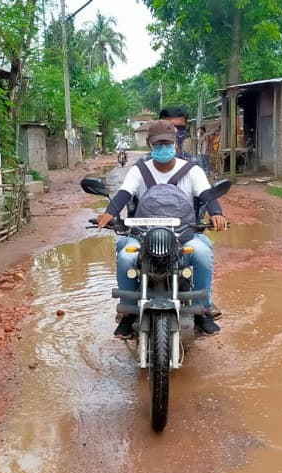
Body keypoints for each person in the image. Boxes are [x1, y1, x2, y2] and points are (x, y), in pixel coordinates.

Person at [97, 120, 227, 339]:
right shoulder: (139, 171)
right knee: (126, 257)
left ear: (176, 144)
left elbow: (207, 195)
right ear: (150, 145)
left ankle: (203, 309)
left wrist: (217, 213)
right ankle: (128, 312)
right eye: (158, 144)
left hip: (183, 235)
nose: (163, 148)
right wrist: (110, 212)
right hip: (142, 235)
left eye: (167, 143)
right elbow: (124, 193)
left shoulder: (192, 170)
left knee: (202, 252)